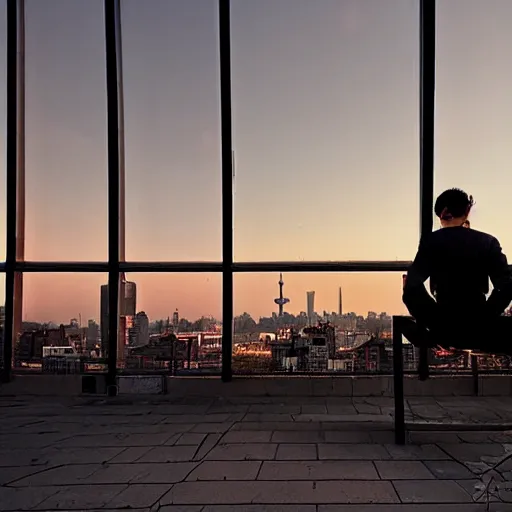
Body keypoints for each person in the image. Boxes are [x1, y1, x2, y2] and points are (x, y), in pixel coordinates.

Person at [402, 188, 512, 350]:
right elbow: (506, 287)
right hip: (480, 323)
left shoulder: (431, 241)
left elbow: (411, 287)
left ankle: (440, 340)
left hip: (443, 324)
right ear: (467, 211)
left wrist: (435, 319)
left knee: (407, 318)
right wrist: (485, 317)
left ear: (441, 214)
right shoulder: (488, 242)